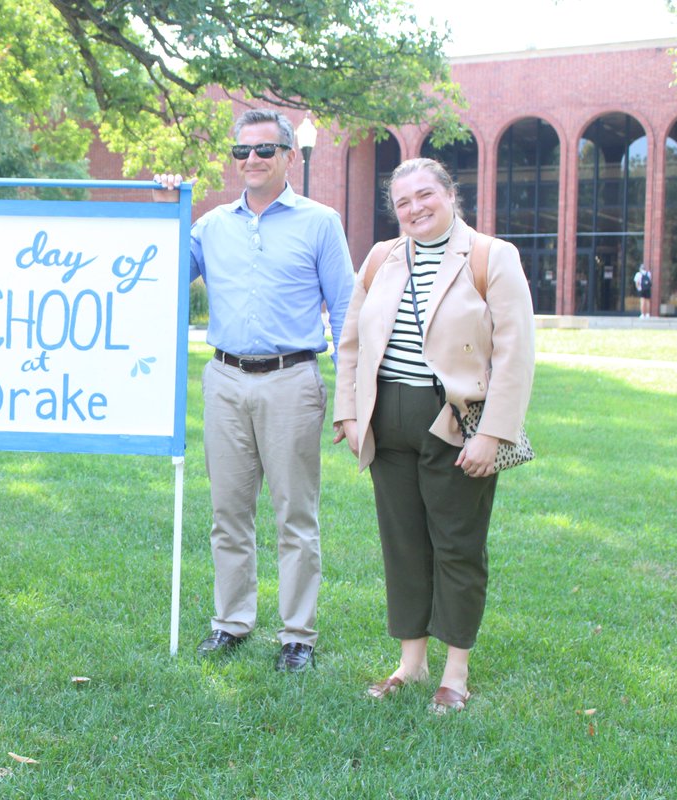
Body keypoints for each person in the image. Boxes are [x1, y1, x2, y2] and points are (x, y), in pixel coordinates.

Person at [155, 108, 354, 672]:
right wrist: (165, 209)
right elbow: (160, 271)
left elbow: (345, 309)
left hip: (292, 380)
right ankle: (231, 623)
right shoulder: (211, 226)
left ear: (289, 155)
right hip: (223, 380)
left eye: (264, 150)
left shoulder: (321, 222)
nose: (252, 161)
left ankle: (298, 636)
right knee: (228, 512)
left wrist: (350, 397)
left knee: (296, 515)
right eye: (242, 152)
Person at [333, 157, 535, 712]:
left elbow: (515, 355)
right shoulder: (380, 258)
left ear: (450, 194)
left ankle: (456, 672)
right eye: (403, 202)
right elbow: (349, 342)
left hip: (455, 421)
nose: (415, 208)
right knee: (402, 545)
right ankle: (411, 663)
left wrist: (494, 434)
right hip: (386, 422)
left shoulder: (492, 257)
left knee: (456, 546)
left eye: (426, 195)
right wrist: (349, 415)